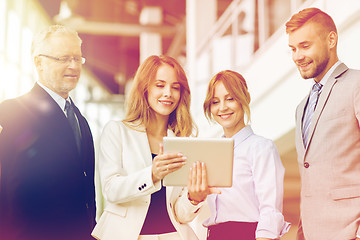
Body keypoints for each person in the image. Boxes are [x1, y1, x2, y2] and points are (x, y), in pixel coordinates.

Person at [92, 55, 205, 240]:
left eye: (175, 87)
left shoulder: (183, 141)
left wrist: (194, 198)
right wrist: (152, 174)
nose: (168, 93)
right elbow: (111, 190)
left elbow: (180, 214)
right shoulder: (117, 131)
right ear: (145, 88)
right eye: (160, 85)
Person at [0, 25, 96, 240]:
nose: (73, 65)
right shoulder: (12, 112)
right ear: (39, 62)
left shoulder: (80, 120)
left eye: (77, 58)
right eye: (63, 58)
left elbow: (85, 188)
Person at [178, 70, 290, 240]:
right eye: (215, 102)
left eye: (230, 99)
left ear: (245, 98)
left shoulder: (261, 148)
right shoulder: (209, 153)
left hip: (249, 235)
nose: (222, 107)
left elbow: (270, 210)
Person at [286, 7, 360, 240]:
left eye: (305, 46)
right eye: (293, 49)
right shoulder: (301, 108)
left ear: (331, 40)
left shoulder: (356, 85)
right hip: (309, 232)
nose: (297, 56)